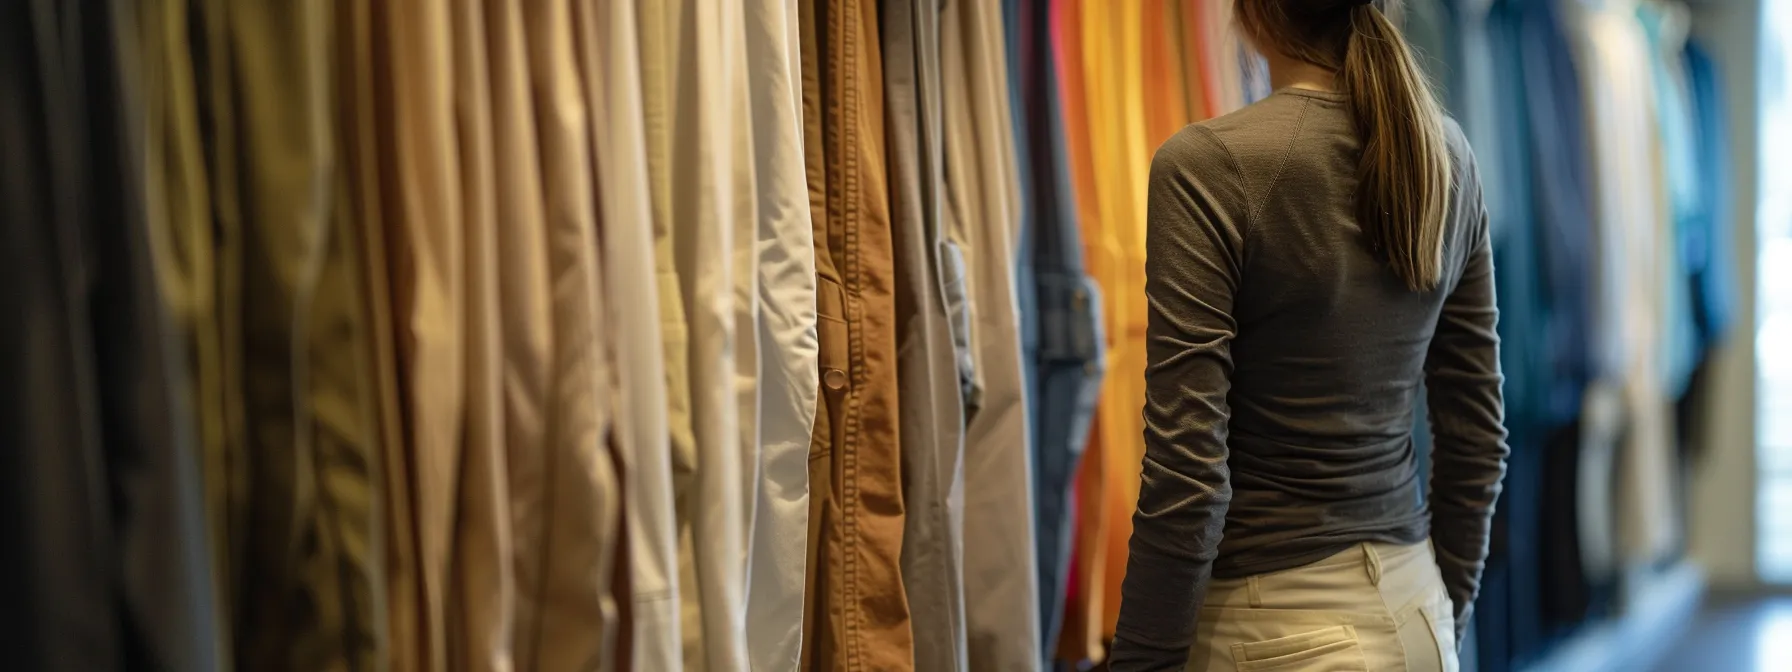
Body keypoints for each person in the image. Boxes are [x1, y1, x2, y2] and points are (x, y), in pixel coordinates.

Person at [1109, 1, 1510, 670]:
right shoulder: (1448, 155)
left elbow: (1188, 481)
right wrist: (1442, 610)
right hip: (1420, 619)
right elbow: (1478, 441)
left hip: (1274, 629)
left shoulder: (1208, 165)